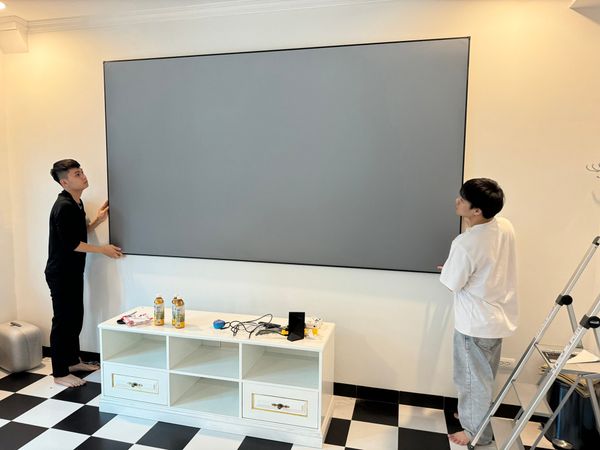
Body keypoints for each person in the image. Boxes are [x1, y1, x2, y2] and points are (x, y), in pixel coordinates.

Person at [439, 178, 518, 446]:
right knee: (483, 378)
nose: (457, 201)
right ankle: (472, 415)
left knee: (471, 380)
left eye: (463, 199)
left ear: (476, 210)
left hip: (475, 324)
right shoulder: (504, 226)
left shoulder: (466, 243)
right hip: (496, 319)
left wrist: (452, 268)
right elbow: (484, 265)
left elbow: (452, 283)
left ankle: (476, 432)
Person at [45, 159, 123, 388]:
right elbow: (72, 243)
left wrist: (98, 220)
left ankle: (72, 362)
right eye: (77, 174)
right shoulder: (64, 207)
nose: (83, 176)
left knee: (74, 318)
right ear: (65, 182)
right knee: (63, 321)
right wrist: (103, 250)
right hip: (61, 273)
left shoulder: (75, 203)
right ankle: (60, 373)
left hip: (72, 271)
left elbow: (78, 233)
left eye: (82, 171)